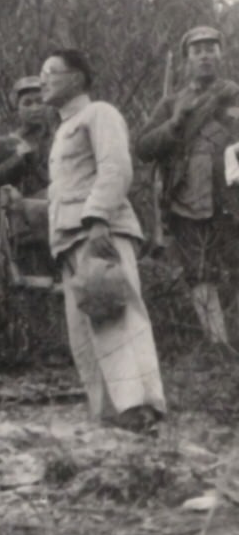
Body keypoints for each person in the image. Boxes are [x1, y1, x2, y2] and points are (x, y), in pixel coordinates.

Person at [43, 49, 165, 429]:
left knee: (117, 318)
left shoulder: (100, 114)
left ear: (78, 78)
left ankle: (139, 408)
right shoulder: (64, 127)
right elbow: (69, 190)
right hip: (72, 239)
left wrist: (97, 220)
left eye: (51, 72)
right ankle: (111, 415)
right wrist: (27, 209)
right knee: (86, 332)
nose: (43, 80)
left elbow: (116, 168)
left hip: (100, 232)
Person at [136, 25, 239, 345]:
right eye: (197, 50)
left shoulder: (234, 93)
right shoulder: (171, 104)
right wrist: (176, 122)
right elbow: (143, 147)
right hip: (187, 199)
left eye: (211, 48)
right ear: (186, 60)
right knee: (199, 271)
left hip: (232, 196)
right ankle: (217, 344)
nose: (205, 55)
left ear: (222, 54)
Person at [0, 75, 57, 286]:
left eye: (39, 101)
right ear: (17, 109)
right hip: (25, 229)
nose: (34, 108)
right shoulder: (6, 144)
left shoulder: (61, 138)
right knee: (34, 288)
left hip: (61, 223)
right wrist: (18, 159)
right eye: (27, 103)